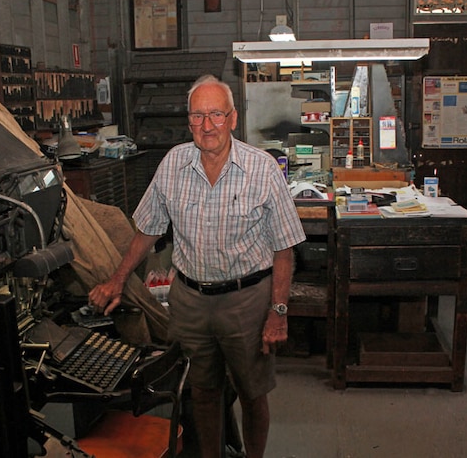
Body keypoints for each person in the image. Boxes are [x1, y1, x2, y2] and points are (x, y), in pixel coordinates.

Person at [88, 74, 306, 458]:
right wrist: (118, 280)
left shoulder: (263, 169)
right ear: (188, 120)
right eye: (198, 116)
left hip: (247, 301)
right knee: (201, 391)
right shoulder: (173, 164)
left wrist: (278, 311)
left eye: (216, 114)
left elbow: (284, 248)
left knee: (252, 393)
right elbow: (147, 230)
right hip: (189, 299)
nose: (207, 126)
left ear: (233, 119)